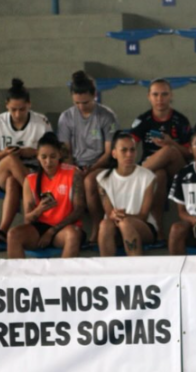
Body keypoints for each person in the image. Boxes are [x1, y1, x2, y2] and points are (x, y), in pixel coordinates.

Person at [0, 79, 52, 243]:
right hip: (4, 168)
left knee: (12, 182)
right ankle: (37, 198)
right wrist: (5, 152)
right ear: (6, 105)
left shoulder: (41, 122)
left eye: (22, 109)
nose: (17, 114)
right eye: (13, 110)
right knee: (11, 159)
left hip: (33, 171)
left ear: (29, 104)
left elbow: (52, 153)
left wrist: (34, 152)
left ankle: (3, 230)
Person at [57, 71, 119, 244]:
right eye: (77, 103)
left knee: (89, 181)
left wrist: (90, 169)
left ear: (95, 96)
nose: (81, 106)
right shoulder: (66, 117)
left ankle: (97, 226)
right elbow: (66, 151)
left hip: (101, 164)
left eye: (85, 102)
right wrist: (74, 168)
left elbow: (109, 152)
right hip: (76, 165)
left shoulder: (107, 116)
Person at [130, 78, 193, 240]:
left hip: (178, 170)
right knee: (159, 175)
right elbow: (130, 145)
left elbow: (190, 153)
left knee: (169, 151)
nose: (160, 99)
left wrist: (170, 143)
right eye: (155, 94)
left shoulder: (180, 120)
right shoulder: (143, 120)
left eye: (164, 94)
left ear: (171, 96)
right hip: (153, 170)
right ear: (148, 96)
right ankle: (158, 229)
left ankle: (135, 176)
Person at [7, 132, 85, 259]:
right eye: (43, 157)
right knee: (13, 235)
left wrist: (51, 231)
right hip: (40, 227)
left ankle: (64, 278)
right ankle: (19, 277)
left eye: (53, 156)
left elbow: (79, 210)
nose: (48, 162)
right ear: (37, 156)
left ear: (59, 155)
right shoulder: (31, 179)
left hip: (65, 227)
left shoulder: (73, 173)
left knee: (73, 234)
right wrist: (39, 210)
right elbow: (28, 218)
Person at [97, 131, 157, 257]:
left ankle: (136, 269)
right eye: (124, 150)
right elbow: (110, 214)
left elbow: (144, 215)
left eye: (132, 150)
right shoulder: (102, 179)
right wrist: (115, 216)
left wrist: (123, 216)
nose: (129, 154)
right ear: (114, 153)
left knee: (125, 223)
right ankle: (106, 270)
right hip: (115, 227)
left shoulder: (147, 176)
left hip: (143, 227)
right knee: (105, 224)